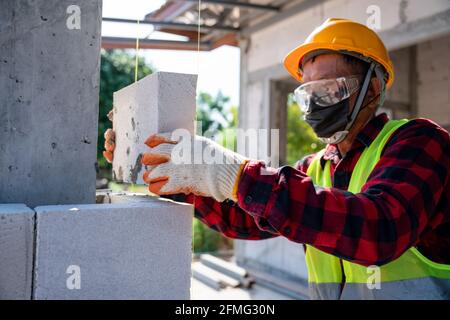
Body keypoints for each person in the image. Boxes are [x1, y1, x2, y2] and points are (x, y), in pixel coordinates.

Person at [103, 18, 450, 299]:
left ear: (372, 89)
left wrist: (238, 175)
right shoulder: (316, 167)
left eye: (328, 89)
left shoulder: (420, 141)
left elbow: (379, 229)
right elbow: (243, 219)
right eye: (307, 93)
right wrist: (177, 178)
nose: (315, 104)